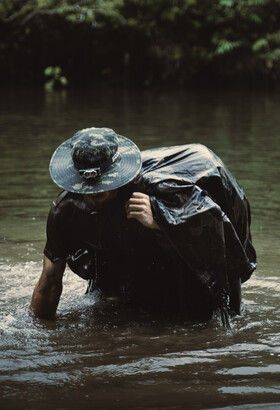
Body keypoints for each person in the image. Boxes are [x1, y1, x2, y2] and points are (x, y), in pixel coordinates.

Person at [30, 127, 257, 327]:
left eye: (102, 185)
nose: (96, 193)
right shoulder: (64, 211)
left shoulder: (159, 188)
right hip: (121, 248)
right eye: (88, 186)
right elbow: (49, 281)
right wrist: (37, 338)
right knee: (115, 305)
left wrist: (162, 218)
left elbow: (217, 235)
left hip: (187, 241)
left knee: (197, 315)